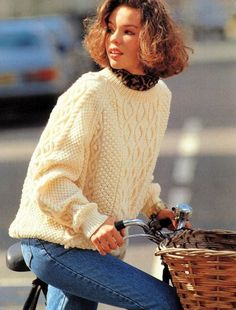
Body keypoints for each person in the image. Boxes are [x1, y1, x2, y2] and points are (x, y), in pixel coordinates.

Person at [9, 0, 190, 309]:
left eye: (128, 31)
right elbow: (49, 179)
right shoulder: (90, 92)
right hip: (55, 240)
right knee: (164, 304)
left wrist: (155, 208)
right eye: (110, 29)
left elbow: (135, 170)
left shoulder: (160, 97)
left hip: (94, 245)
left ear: (152, 40)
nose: (114, 40)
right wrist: (91, 220)